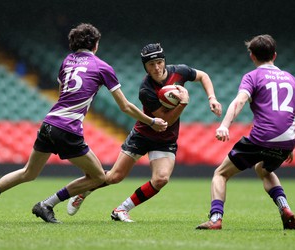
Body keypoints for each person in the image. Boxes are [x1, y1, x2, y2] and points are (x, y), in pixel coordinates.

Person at [0, 23, 167, 223]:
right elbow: (125, 106)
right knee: (98, 176)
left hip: (49, 123)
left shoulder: (66, 62)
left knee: (28, 172)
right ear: (96, 44)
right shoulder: (102, 67)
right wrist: (151, 121)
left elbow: (61, 96)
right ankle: (46, 204)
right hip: (67, 129)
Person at [67, 43, 222, 222]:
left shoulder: (179, 71)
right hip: (143, 135)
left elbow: (203, 76)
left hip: (165, 140)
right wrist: (183, 103)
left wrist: (212, 98)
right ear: (145, 67)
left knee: (161, 179)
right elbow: (166, 121)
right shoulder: (146, 89)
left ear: (164, 61)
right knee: (115, 177)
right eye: (151, 64)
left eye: (159, 62)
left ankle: (121, 210)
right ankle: (85, 190)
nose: (156, 68)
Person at [196, 34, 295, 230]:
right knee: (264, 169)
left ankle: (215, 219)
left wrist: (224, 125)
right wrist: (291, 144)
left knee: (220, 174)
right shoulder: (293, 81)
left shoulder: (253, 76)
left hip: (261, 138)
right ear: (274, 55)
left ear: (252, 56)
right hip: (286, 141)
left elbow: (239, 101)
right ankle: (285, 207)